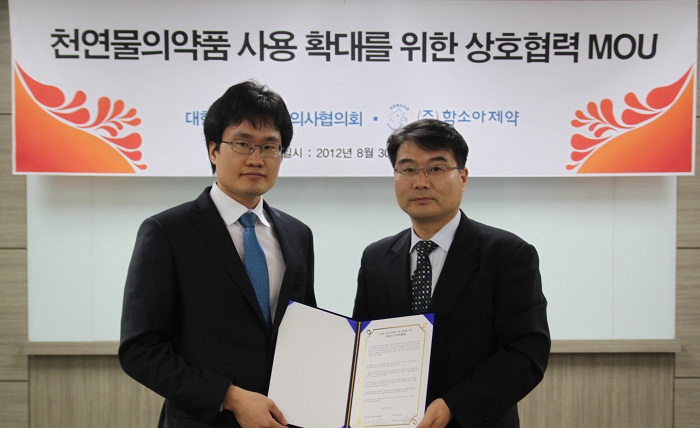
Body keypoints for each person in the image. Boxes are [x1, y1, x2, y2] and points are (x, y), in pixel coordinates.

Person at [119, 80, 315, 428]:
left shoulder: (298, 235)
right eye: (242, 143)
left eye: (270, 146)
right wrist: (230, 396)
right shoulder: (167, 232)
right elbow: (140, 350)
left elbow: (304, 330)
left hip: (284, 420)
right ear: (213, 150)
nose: (256, 158)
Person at [353, 119, 550, 428]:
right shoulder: (376, 258)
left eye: (436, 168)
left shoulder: (508, 254)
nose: (420, 182)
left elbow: (526, 352)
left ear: (463, 177)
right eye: (408, 169)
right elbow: (365, 346)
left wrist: (454, 405)